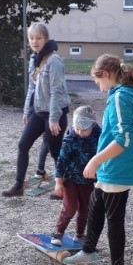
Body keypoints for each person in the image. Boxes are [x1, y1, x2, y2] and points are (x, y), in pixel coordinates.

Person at [63, 55, 133, 265]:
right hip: (120, 166)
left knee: (114, 217)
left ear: (106, 75)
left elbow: (123, 139)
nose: (98, 87)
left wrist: (95, 160)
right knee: (96, 204)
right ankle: (88, 252)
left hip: (119, 167)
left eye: (97, 81)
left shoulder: (121, 97)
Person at [2, 23, 71, 196]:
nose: (34, 41)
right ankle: (18, 186)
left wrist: (54, 118)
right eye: (31, 38)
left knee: (56, 152)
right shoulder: (34, 59)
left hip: (54, 113)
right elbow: (31, 88)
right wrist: (26, 110)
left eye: (38, 38)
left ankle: (65, 188)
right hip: (38, 112)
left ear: (46, 39)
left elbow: (57, 91)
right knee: (23, 145)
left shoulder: (54, 61)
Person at [50, 105, 102, 246]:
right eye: (77, 128)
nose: (80, 132)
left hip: (89, 180)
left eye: (84, 129)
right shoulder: (71, 138)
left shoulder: (100, 135)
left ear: (92, 125)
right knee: (70, 207)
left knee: (86, 208)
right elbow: (61, 161)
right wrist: (58, 182)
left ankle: (79, 235)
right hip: (70, 178)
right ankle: (58, 232)